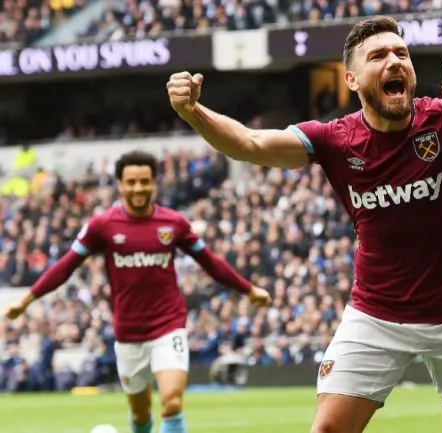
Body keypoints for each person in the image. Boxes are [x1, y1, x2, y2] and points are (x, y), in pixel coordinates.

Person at [166, 16, 442, 433]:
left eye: (402, 54)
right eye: (378, 56)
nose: (395, 61)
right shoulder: (334, 139)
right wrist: (193, 111)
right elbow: (250, 143)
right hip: (375, 317)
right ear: (352, 79)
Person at [4, 151, 271, 433]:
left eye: (145, 181)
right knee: (141, 415)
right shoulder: (102, 226)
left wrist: (248, 289)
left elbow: (210, 262)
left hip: (169, 326)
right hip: (128, 334)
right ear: (120, 184)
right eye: (131, 182)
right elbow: (66, 265)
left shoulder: (173, 223)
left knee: (172, 403)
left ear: (154, 183)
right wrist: (26, 299)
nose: (138, 188)